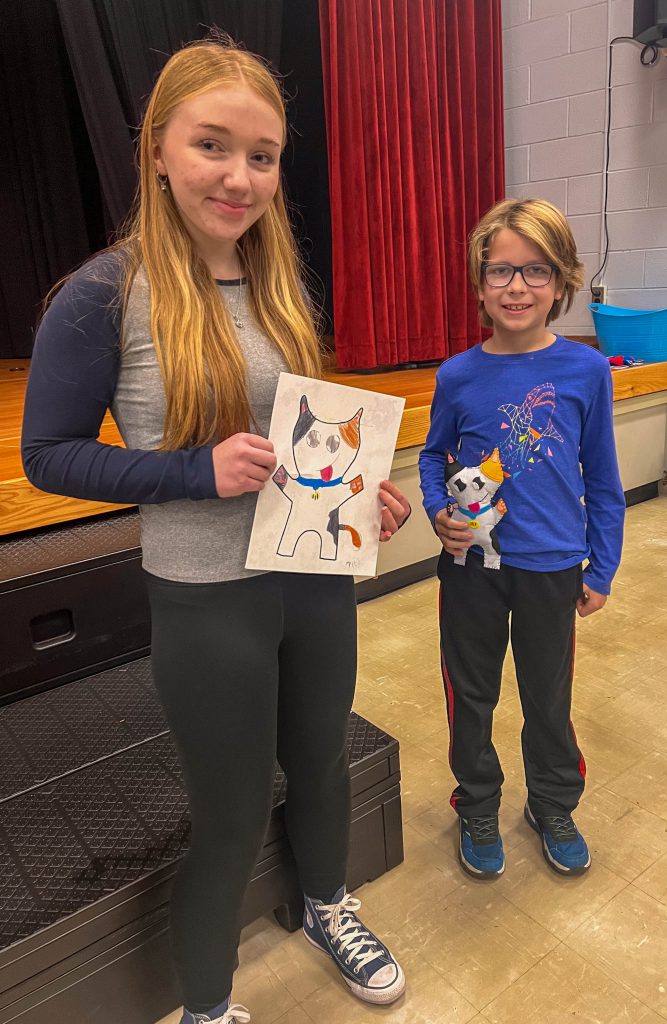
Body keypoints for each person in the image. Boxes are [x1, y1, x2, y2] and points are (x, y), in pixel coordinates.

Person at [22, 37, 409, 1024]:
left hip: (313, 580)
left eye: (264, 155)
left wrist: (360, 493)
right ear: (158, 149)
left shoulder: (279, 285)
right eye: (213, 145)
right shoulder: (102, 296)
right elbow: (49, 454)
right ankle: (208, 1005)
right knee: (232, 816)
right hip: (208, 601)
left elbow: (305, 438)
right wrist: (193, 471)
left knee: (320, 761)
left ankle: (327, 902)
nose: (241, 177)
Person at [418, 198, 624, 881]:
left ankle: (552, 802)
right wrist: (436, 513)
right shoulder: (457, 376)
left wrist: (603, 567)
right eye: (501, 271)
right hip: (472, 568)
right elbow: (432, 457)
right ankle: (477, 802)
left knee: (548, 695)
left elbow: (602, 476)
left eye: (535, 270)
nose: (516, 286)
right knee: (470, 696)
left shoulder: (587, 371)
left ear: (562, 283)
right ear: (479, 284)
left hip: (555, 565)